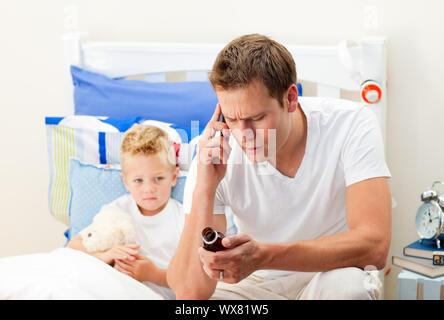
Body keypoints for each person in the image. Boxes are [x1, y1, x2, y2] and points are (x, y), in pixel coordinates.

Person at [167, 34, 392, 300]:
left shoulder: (351, 124)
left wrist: (263, 256)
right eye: (231, 118)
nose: (243, 134)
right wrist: (204, 188)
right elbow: (190, 293)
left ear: (291, 98)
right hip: (252, 287)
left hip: (327, 275)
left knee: (348, 289)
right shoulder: (215, 152)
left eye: (256, 118)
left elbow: (375, 246)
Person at [67, 124, 184, 299]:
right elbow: (72, 246)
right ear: (126, 182)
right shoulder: (117, 211)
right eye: (138, 180)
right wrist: (105, 255)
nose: (148, 189)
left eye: (158, 178)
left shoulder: (183, 217)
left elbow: (194, 278)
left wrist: (153, 275)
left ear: (173, 177)